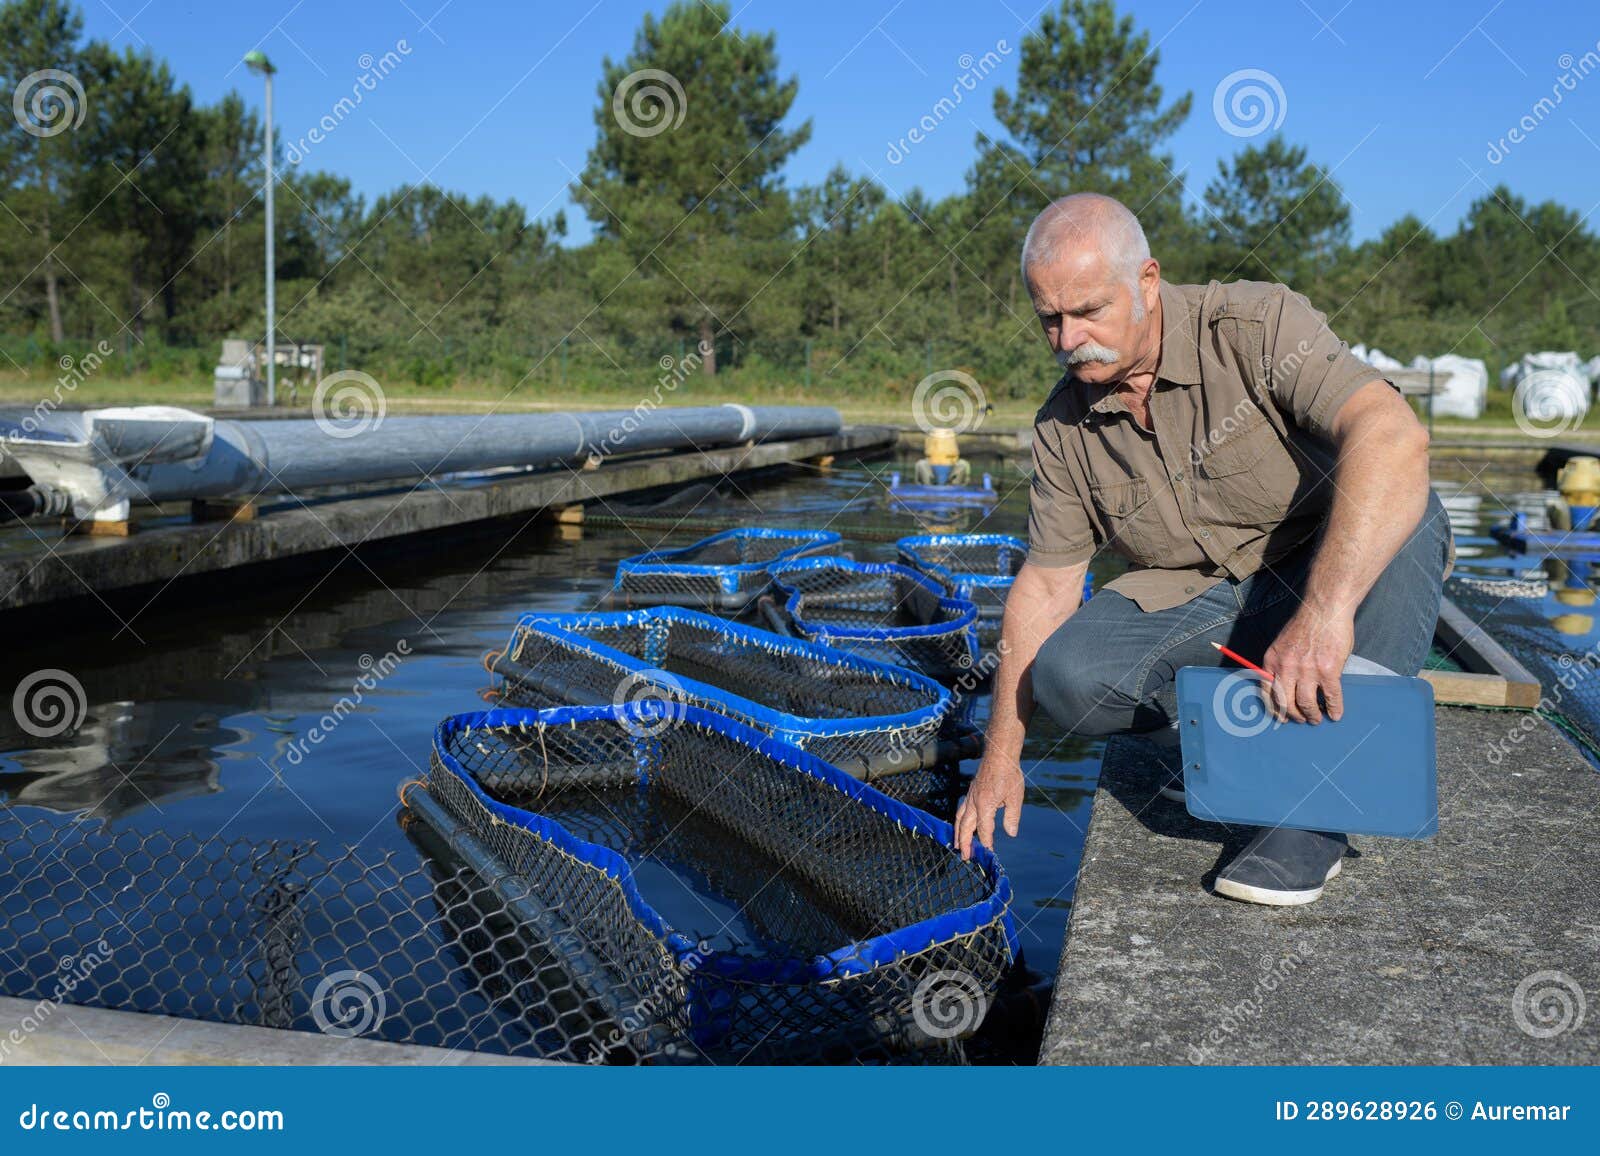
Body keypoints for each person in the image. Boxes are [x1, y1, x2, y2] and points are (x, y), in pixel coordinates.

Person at [953, 192, 1451, 905]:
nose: (1067, 340)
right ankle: (1244, 742)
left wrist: (1323, 615)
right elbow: (1046, 588)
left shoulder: (1257, 325)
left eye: (1088, 311)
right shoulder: (1062, 425)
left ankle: (1316, 803)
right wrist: (1002, 755)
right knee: (1070, 674)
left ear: (1147, 283)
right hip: (1216, 604)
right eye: (1049, 320)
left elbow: (1395, 436)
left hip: (1331, 566)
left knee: (1410, 507)